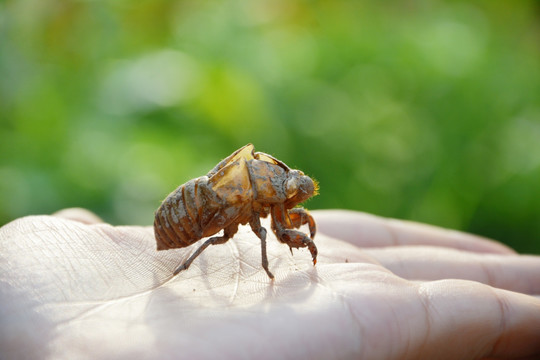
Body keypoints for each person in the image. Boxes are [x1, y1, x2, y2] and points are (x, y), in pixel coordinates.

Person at [1, 208, 539, 359]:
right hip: (192, 217)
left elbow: (280, 229)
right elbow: (265, 237)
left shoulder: (269, 202)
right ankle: (189, 268)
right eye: (291, 197)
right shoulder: (256, 205)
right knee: (218, 242)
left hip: (201, 207)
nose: (298, 208)